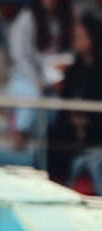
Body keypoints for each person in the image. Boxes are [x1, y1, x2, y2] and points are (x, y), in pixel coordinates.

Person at [6, 0, 74, 149]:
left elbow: (65, 53)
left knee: (58, 105)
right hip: (25, 76)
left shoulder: (63, 18)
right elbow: (19, 55)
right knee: (32, 97)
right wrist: (36, 80)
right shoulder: (27, 18)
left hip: (51, 77)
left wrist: (58, 77)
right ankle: (19, 140)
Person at [46, 10, 102, 188]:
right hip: (73, 126)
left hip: (96, 125)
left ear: (92, 39)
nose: (76, 41)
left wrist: (86, 122)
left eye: (80, 36)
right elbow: (65, 102)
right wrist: (74, 120)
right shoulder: (73, 70)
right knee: (56, 131)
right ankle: (56, 184)